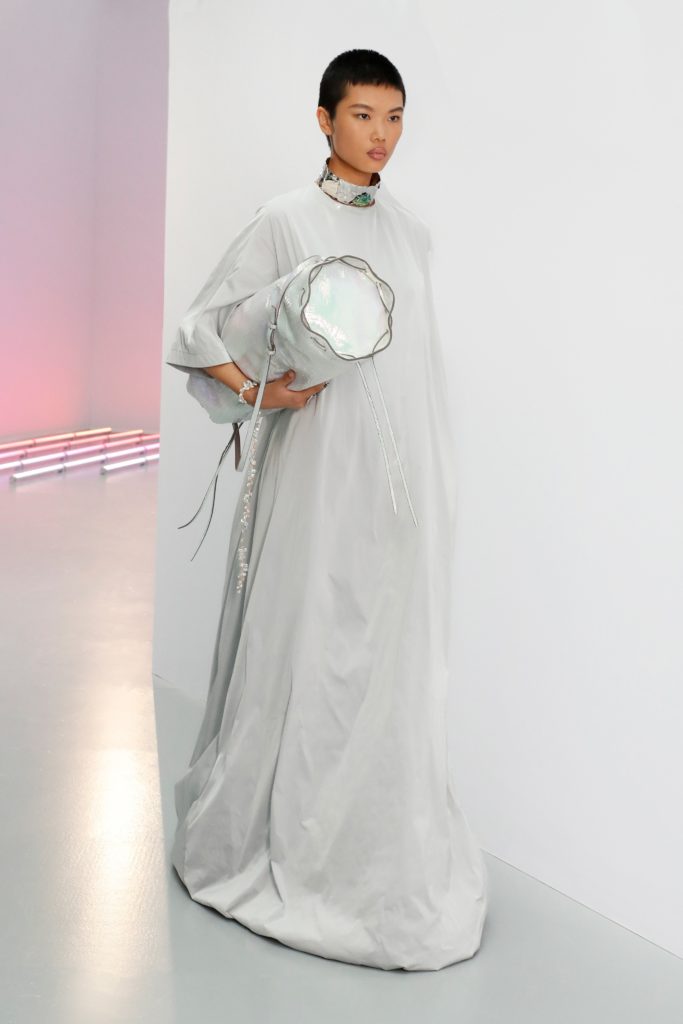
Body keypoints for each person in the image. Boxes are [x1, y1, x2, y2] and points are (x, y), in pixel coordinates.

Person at [165, 48, 488, 972]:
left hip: (398, 481)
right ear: (324, 119)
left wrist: (435, 482)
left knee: (384, 652)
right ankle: (286, 842)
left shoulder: (413, 234)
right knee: (304, 635)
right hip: (316, 468)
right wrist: (258, 392)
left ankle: (376, 846)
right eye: (361, 115)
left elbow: (416, 369)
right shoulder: (283, 219)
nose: (380, 135)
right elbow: (199, 328)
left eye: (394, 116)